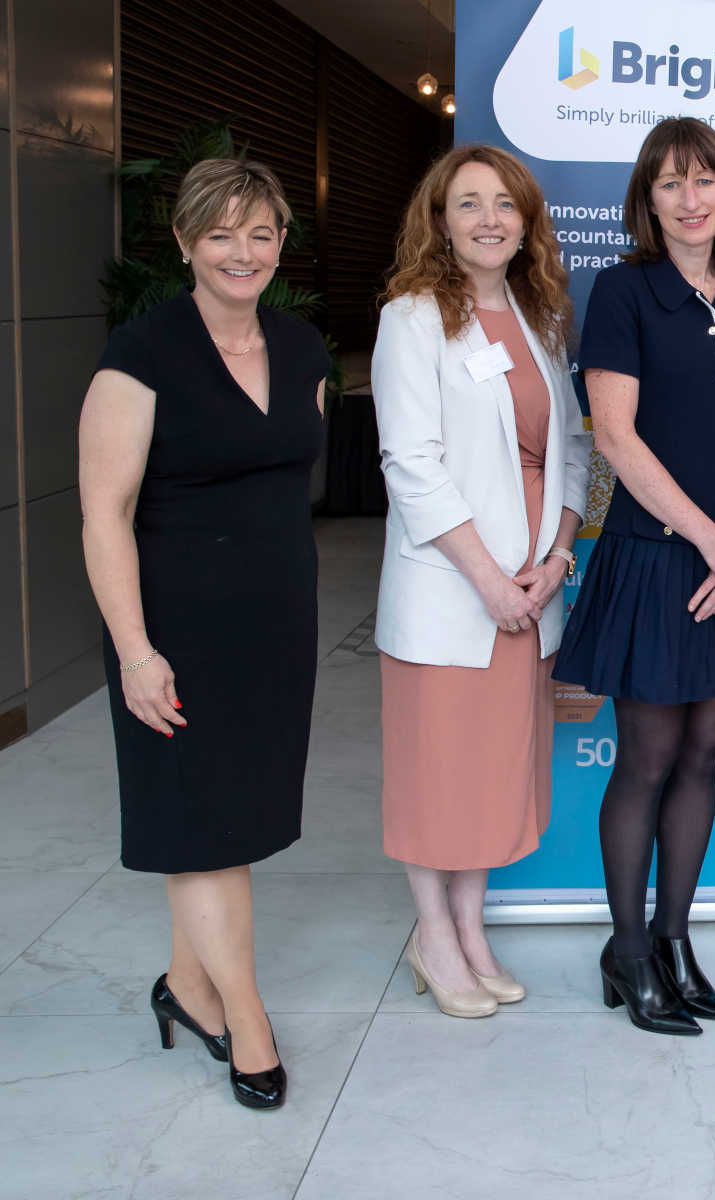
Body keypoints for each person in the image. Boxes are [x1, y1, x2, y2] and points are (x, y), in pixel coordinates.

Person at [78, 158, 332, 1109]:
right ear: (185, 242)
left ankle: (185, 987)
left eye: (261, 233)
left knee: (229, 819)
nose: (243, 252)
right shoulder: (140, 353)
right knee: (201, 828)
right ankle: (245, 1024)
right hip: (173, 630)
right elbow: (104, 515)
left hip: (274, 626)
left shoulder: (302, 347)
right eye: (221, 233)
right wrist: (136, 652)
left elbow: (290, 481)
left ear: (280, 245)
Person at [555, 117, 715, 1037]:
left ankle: (674, 939)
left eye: (704, 181)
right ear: (647, 201)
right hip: (658, 560)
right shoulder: (624, 291)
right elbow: (615, 438)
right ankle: (627, 950)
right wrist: (714, 545)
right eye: (669, 184)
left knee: (704, 754)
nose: (690, 199)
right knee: (648, 759)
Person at [371, 144, 588, 1020]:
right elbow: (410, 464)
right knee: (436, 776)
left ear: (527, 222)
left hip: (531, 595)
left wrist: (557, 559)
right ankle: (432, 936)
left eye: (505, 203)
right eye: (468, 203)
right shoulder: (413, 317)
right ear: (441, 220)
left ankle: (469, 928)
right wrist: (492, 582)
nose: (489, 218)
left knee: (490, 775)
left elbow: (573, 453)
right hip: (453, 596)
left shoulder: (542, 321)